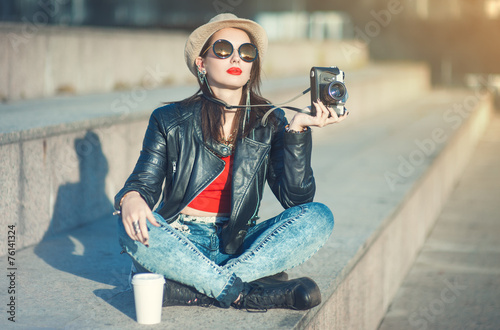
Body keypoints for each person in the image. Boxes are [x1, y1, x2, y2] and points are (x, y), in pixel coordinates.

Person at [115, 13, 347, 311]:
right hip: (181, 239)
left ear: (253, 66)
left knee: (319, 217)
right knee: (126, 225)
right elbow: (143, 183)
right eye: (223, 49)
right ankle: (246, 292)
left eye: (247, 52)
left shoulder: (272, 120)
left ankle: (201, 287)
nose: (236, 57)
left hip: (239, 242)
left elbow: (296, 199)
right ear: (202, 63)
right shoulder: (169, 119)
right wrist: (132, 198)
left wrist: (297, 132)